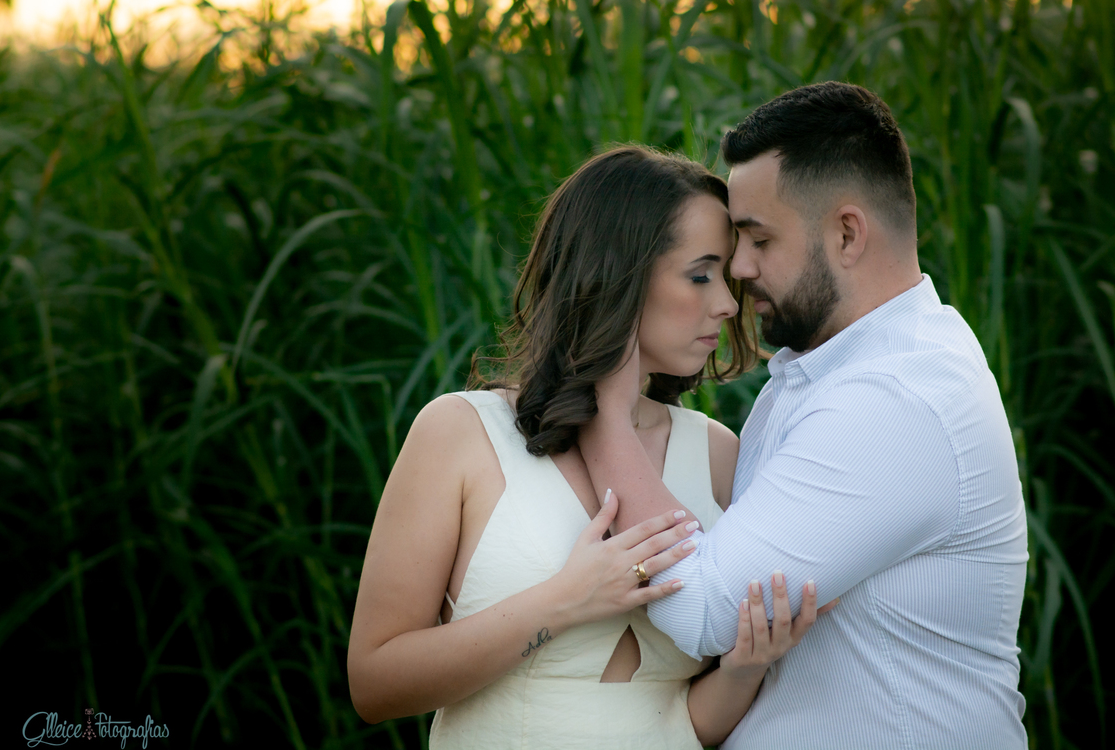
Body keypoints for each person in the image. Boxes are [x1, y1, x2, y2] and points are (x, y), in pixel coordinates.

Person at [581, 83, 1029, 748]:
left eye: (758, 238)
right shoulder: (822, 372)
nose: (739, 267)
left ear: (847, 233)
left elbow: (704, 610)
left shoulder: (895, 398)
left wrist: (602, 408)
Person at [347, 146, 834, 749]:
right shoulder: (461, 433)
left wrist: (744, 668)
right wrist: (565, 601)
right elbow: (375, 684)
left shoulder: (715, 453)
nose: (729, 304)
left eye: (727, 279)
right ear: (617, 276)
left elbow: (683, 722)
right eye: (700, 275)